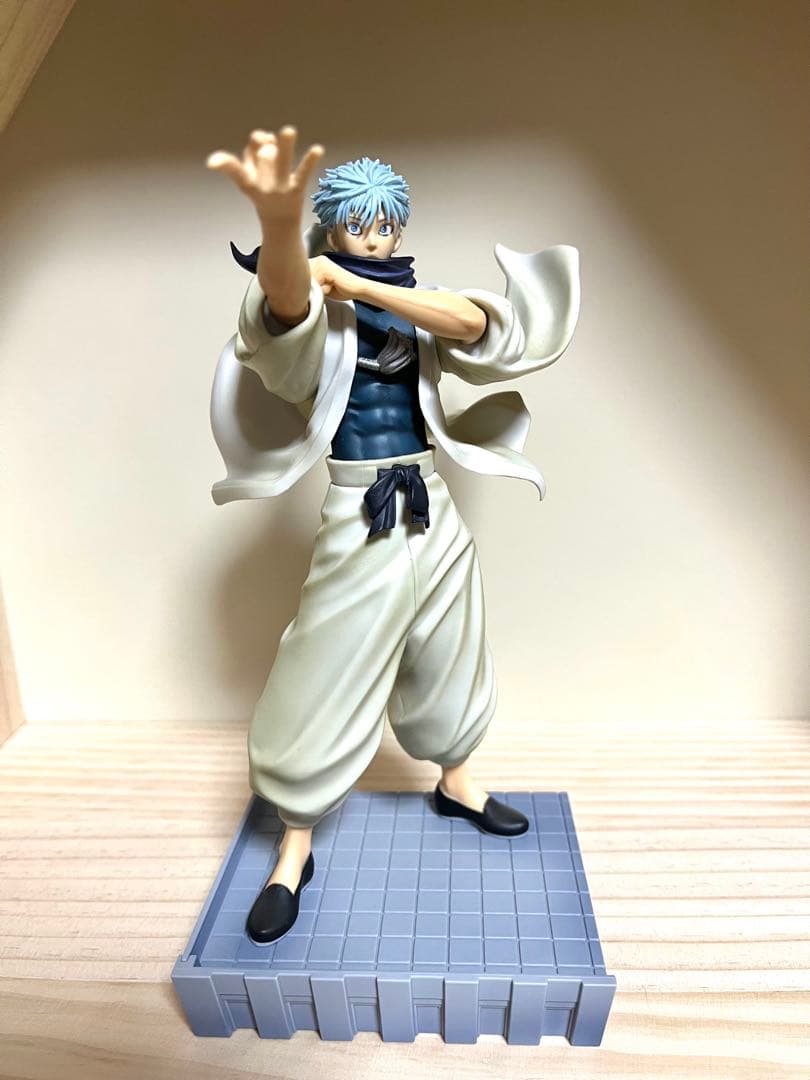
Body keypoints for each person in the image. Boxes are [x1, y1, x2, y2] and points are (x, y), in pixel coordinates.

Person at [207, 126, 580, 944]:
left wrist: (358, 281)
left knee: (451, 643)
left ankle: (456, 779)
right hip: (360, 507)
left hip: (429, 499)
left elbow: (475, 324)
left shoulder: (413, 302)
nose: (374, 238)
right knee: (323, 664)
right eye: (357, 226)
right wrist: (280, 228)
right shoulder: (315, 312)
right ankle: (294, 845)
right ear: (332, 227)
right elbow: (282, 308)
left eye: (386, 225)